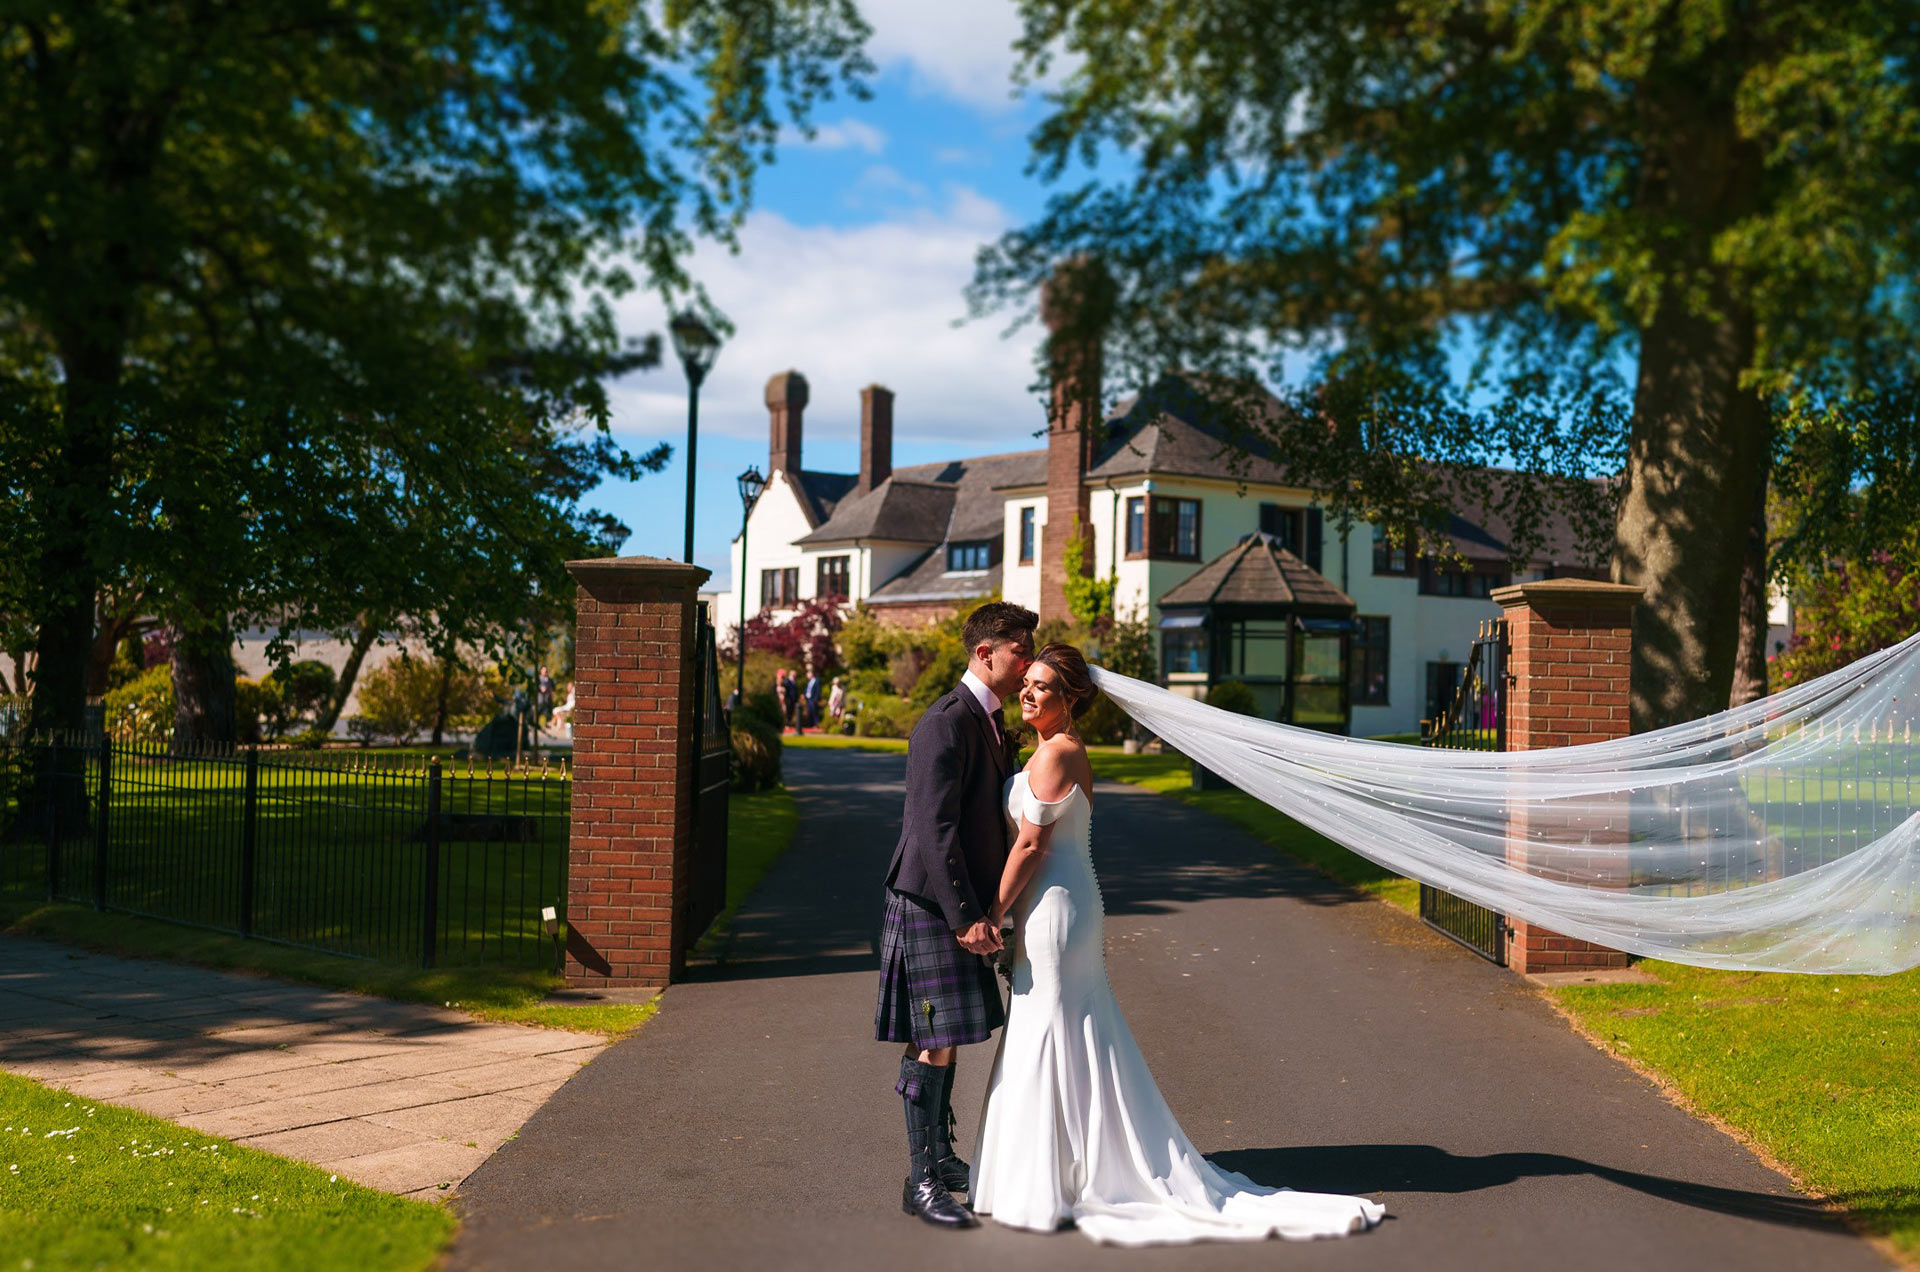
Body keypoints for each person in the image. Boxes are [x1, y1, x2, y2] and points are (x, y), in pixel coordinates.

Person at [970, 643, 1385, 1245]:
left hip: (1056, 909)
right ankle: (1059, 1169)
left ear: (1072, 700)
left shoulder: (1059, 753)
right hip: (1053, 904)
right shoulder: (1047, 751)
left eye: (1042, 687)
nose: (1029, 693)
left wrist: (989, 913)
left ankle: (1060, 1177)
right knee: (1057, 1027)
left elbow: (1031, 847)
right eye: (1026, 683)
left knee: (1055, 1028)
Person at [875, 601, 1037, 1230]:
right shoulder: (945, 723)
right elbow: (931, 829)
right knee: (934, 1037)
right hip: (931, 901)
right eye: (1019, 651)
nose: (1025, 664)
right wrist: (968, 915)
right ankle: (920, 1182)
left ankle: (940, 1161)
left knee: (945, 1038)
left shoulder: (988, 720)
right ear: (984, 653)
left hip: (951, 899)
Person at [777, 668, 799, 733]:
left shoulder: (793, 682)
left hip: (791, 700)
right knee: (785, 712)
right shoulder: (787, 682)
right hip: (786, 700)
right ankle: (785, 724)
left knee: (789, 712)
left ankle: (788, 724)